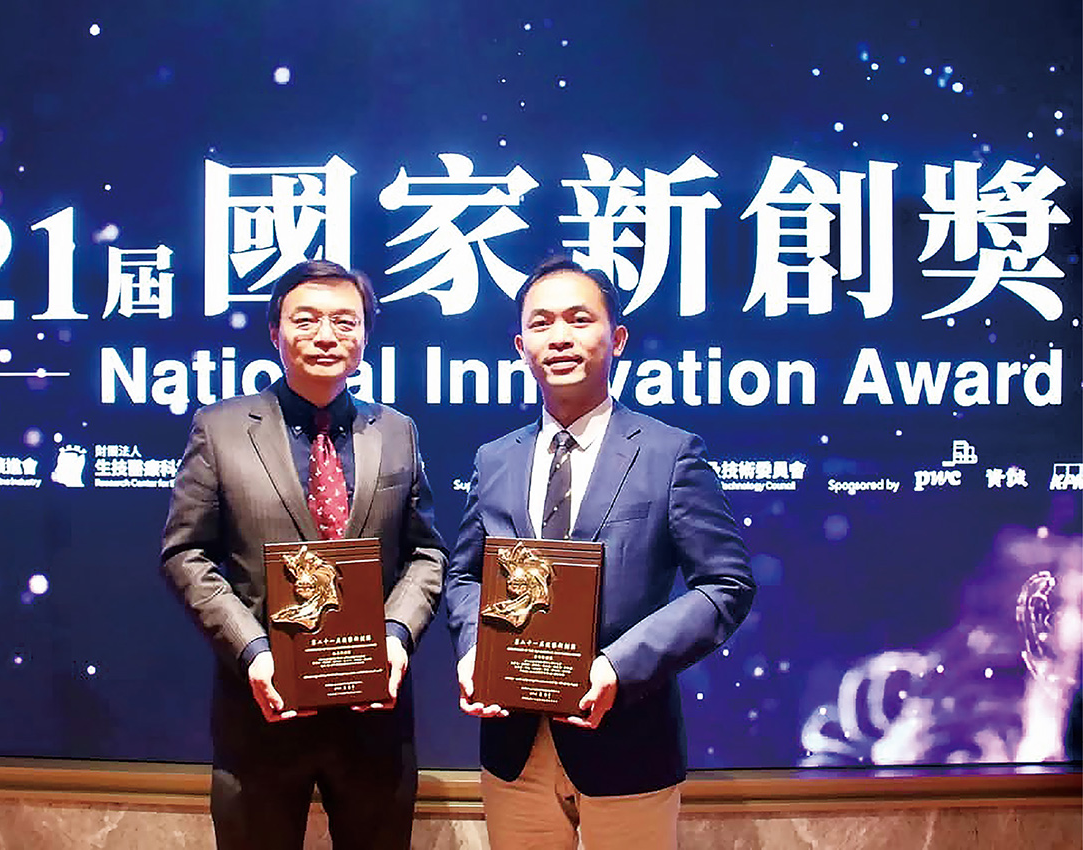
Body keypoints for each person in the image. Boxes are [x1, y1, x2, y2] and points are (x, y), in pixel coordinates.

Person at [444, 256, 756, 850]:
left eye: (579, 319)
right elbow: (464, 576)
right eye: (541, 323)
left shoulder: (669, 453)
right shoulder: (495, 459)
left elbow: (726, 585)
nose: (559, 336)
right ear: (521, 346)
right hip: (514, 749)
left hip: (629, 740)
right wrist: (473, 649)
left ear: (617, 339)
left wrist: (617, 666)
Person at [161, 259, 447, 850]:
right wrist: (253, 650)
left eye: (345, 321)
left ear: (365, 336)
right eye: (306, 319)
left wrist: (396, 635)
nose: (325, 335)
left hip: (375, 716)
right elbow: (186, 553)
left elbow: (426, 553)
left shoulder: (397, 431)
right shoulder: (220, 429)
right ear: (275, 332)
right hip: (259, 710)